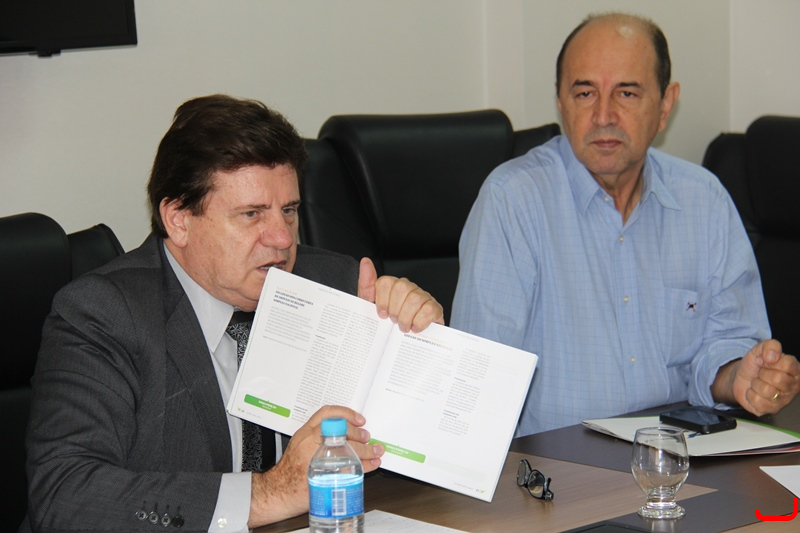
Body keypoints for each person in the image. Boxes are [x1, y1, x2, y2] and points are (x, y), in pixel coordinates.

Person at [22, 94, 444, 532]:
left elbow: (415, 462)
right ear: (178, 219)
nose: (282, 238)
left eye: (289, 210)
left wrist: (419, 354)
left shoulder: (336, 283)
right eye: (252, 214)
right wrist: (271, 492)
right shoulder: (102, 315)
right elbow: (65, 495)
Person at [451, 12, 800, 436]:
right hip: (556, 465)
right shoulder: (513, 201)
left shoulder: (704, 200)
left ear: (665, 104)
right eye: (584, 93)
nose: (603, 115)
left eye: (627, 93)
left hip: (679, 456)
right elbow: (476, 383)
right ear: (560, 101)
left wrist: (739, 377)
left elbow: (728, 343)